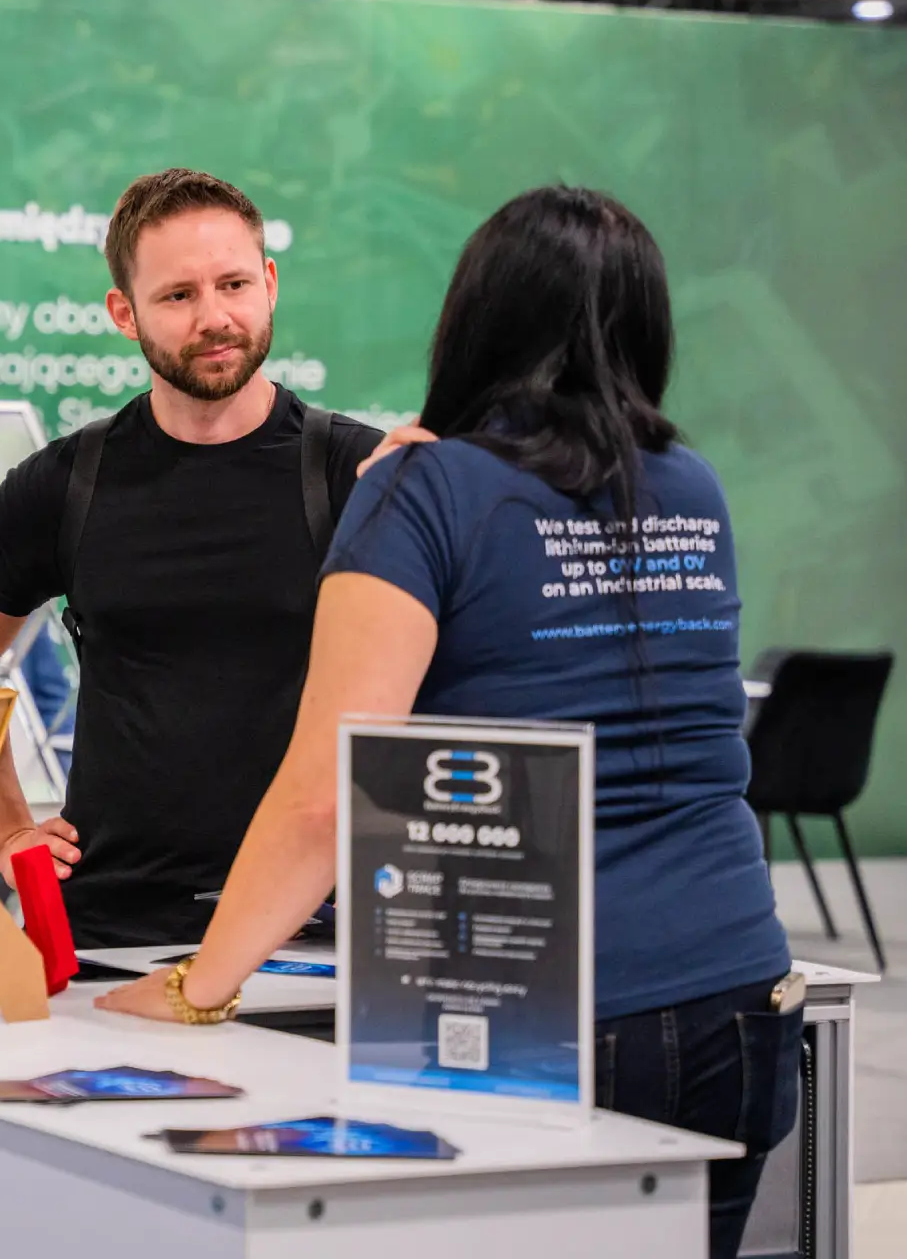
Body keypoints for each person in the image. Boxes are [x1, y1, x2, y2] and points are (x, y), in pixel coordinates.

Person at [96, 186, 800, 1259]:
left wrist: (199, 988)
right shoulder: (689, 485)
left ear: (475, 315)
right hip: (737, 984)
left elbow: (327, 796)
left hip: (532, 1008)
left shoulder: (423, 492)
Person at [0, 168, 382, 948]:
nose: (215, 317)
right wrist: (6, 831)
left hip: (312, 934)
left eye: (234, 284)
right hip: (111, 933)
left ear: (269, 284)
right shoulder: (66, 483)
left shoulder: (354, 473)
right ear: (124, 314)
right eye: (178, 296)